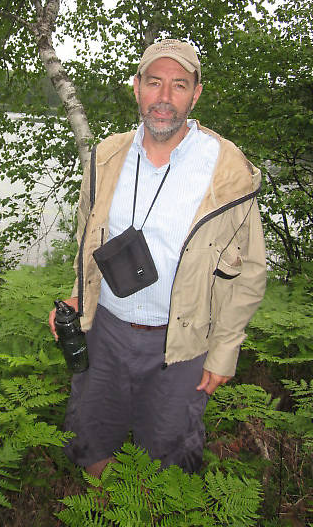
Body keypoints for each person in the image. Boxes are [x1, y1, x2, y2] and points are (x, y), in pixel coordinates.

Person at [49, 38, 266, 477]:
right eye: (155, 83)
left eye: (179, 85)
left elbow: (251, 270)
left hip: (182, 343)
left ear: (196, 93)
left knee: (170, 457)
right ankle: (110, 511)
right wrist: (77, 297)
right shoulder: (106, 156)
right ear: (137, 87)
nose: (164, 99)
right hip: (105, 332)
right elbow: (87, 239)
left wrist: (224, 351)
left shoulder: (228, 169)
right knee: (92, 440)